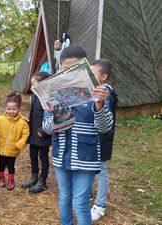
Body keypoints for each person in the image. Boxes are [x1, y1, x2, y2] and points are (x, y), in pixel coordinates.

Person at [42, 45, 114, 225]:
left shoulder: (100, 92)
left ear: (85, 67)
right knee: (64, 198)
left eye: (75, 69)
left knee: (80, 203)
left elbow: (105, 128)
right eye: (65, 70)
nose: (69, 74)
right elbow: (46, 128)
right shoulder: (55, 92)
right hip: (61, 156)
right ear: (60, 68)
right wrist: (57, 117)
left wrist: (99, 105)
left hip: (86, 158)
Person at [90, 59, 117, 221]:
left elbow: (105, 119)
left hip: (102, 139)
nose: (90, 76)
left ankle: (100, 205)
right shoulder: (94, 90)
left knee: (101, 171)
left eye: (94, 73)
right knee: (90, 168)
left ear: (104, 76)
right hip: (91, 138)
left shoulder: (106, 92)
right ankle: (87, 194)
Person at [0, 92, 29, 190]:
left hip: (13, 149)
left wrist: (19, 144)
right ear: (6, 108)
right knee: (1, 164)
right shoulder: (0, 119)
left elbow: (25, 135)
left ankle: (11, 180)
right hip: (1, 148)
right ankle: (1, 178)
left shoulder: (22, 123)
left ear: (19, 108)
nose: (11, 111)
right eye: (9, 109)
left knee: (11, 166)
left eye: (14, 109)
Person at [21, 71, 52, 193]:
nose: (32, 87)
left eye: (34, 85)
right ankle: (33, 177)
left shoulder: (48, 98)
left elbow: (51, 117)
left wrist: (43, 131)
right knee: (32, 155)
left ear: (43, 85)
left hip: (43, 134)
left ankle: (42, 181)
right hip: (33, 133)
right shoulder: (34, 96)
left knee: (43, 157)